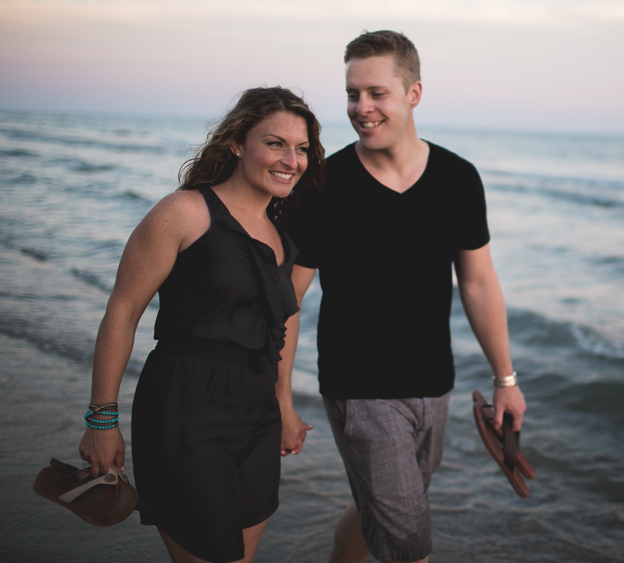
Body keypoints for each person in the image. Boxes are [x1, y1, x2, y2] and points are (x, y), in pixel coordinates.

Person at [285, 30, 526, 563]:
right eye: (352, 94)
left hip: (434, 385)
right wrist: (277, 392)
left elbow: (479, 283)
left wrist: (505, 379)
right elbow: (289, 298)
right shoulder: (325, 183)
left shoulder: (459, 179)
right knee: (408, 544)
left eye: (376, 94)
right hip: (360, 388)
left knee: (391, 511)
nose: (361, 109)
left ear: (414, 93)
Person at [77, 86, 325, 563]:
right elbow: (122, 312)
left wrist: (284, 405)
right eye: (275, 143)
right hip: (184, 411)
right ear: (236, 142)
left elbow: (282, 326)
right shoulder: (184, 212)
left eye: (301, 148)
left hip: (256, 419)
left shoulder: (282, 233)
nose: (291, 160)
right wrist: (101, 418)